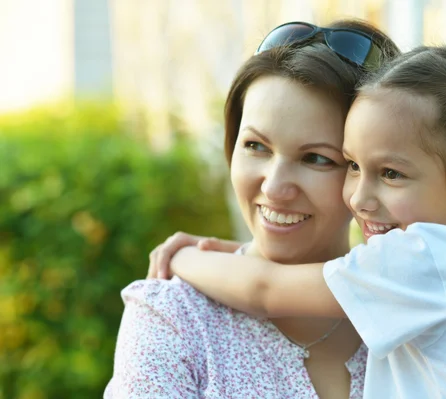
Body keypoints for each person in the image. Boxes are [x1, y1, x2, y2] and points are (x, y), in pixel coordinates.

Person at [154, 46, 446, 398]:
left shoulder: (425, 260)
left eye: (391, 173)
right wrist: (230, 251)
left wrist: (183, 258)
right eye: (351, 164)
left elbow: (264, 290)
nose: (360, 198)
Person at [104, 20, 400, 398]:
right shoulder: (174, 317)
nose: (275, 188)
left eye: (316, 158)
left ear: (369, 172)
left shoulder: (413, 304)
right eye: (256, 146)